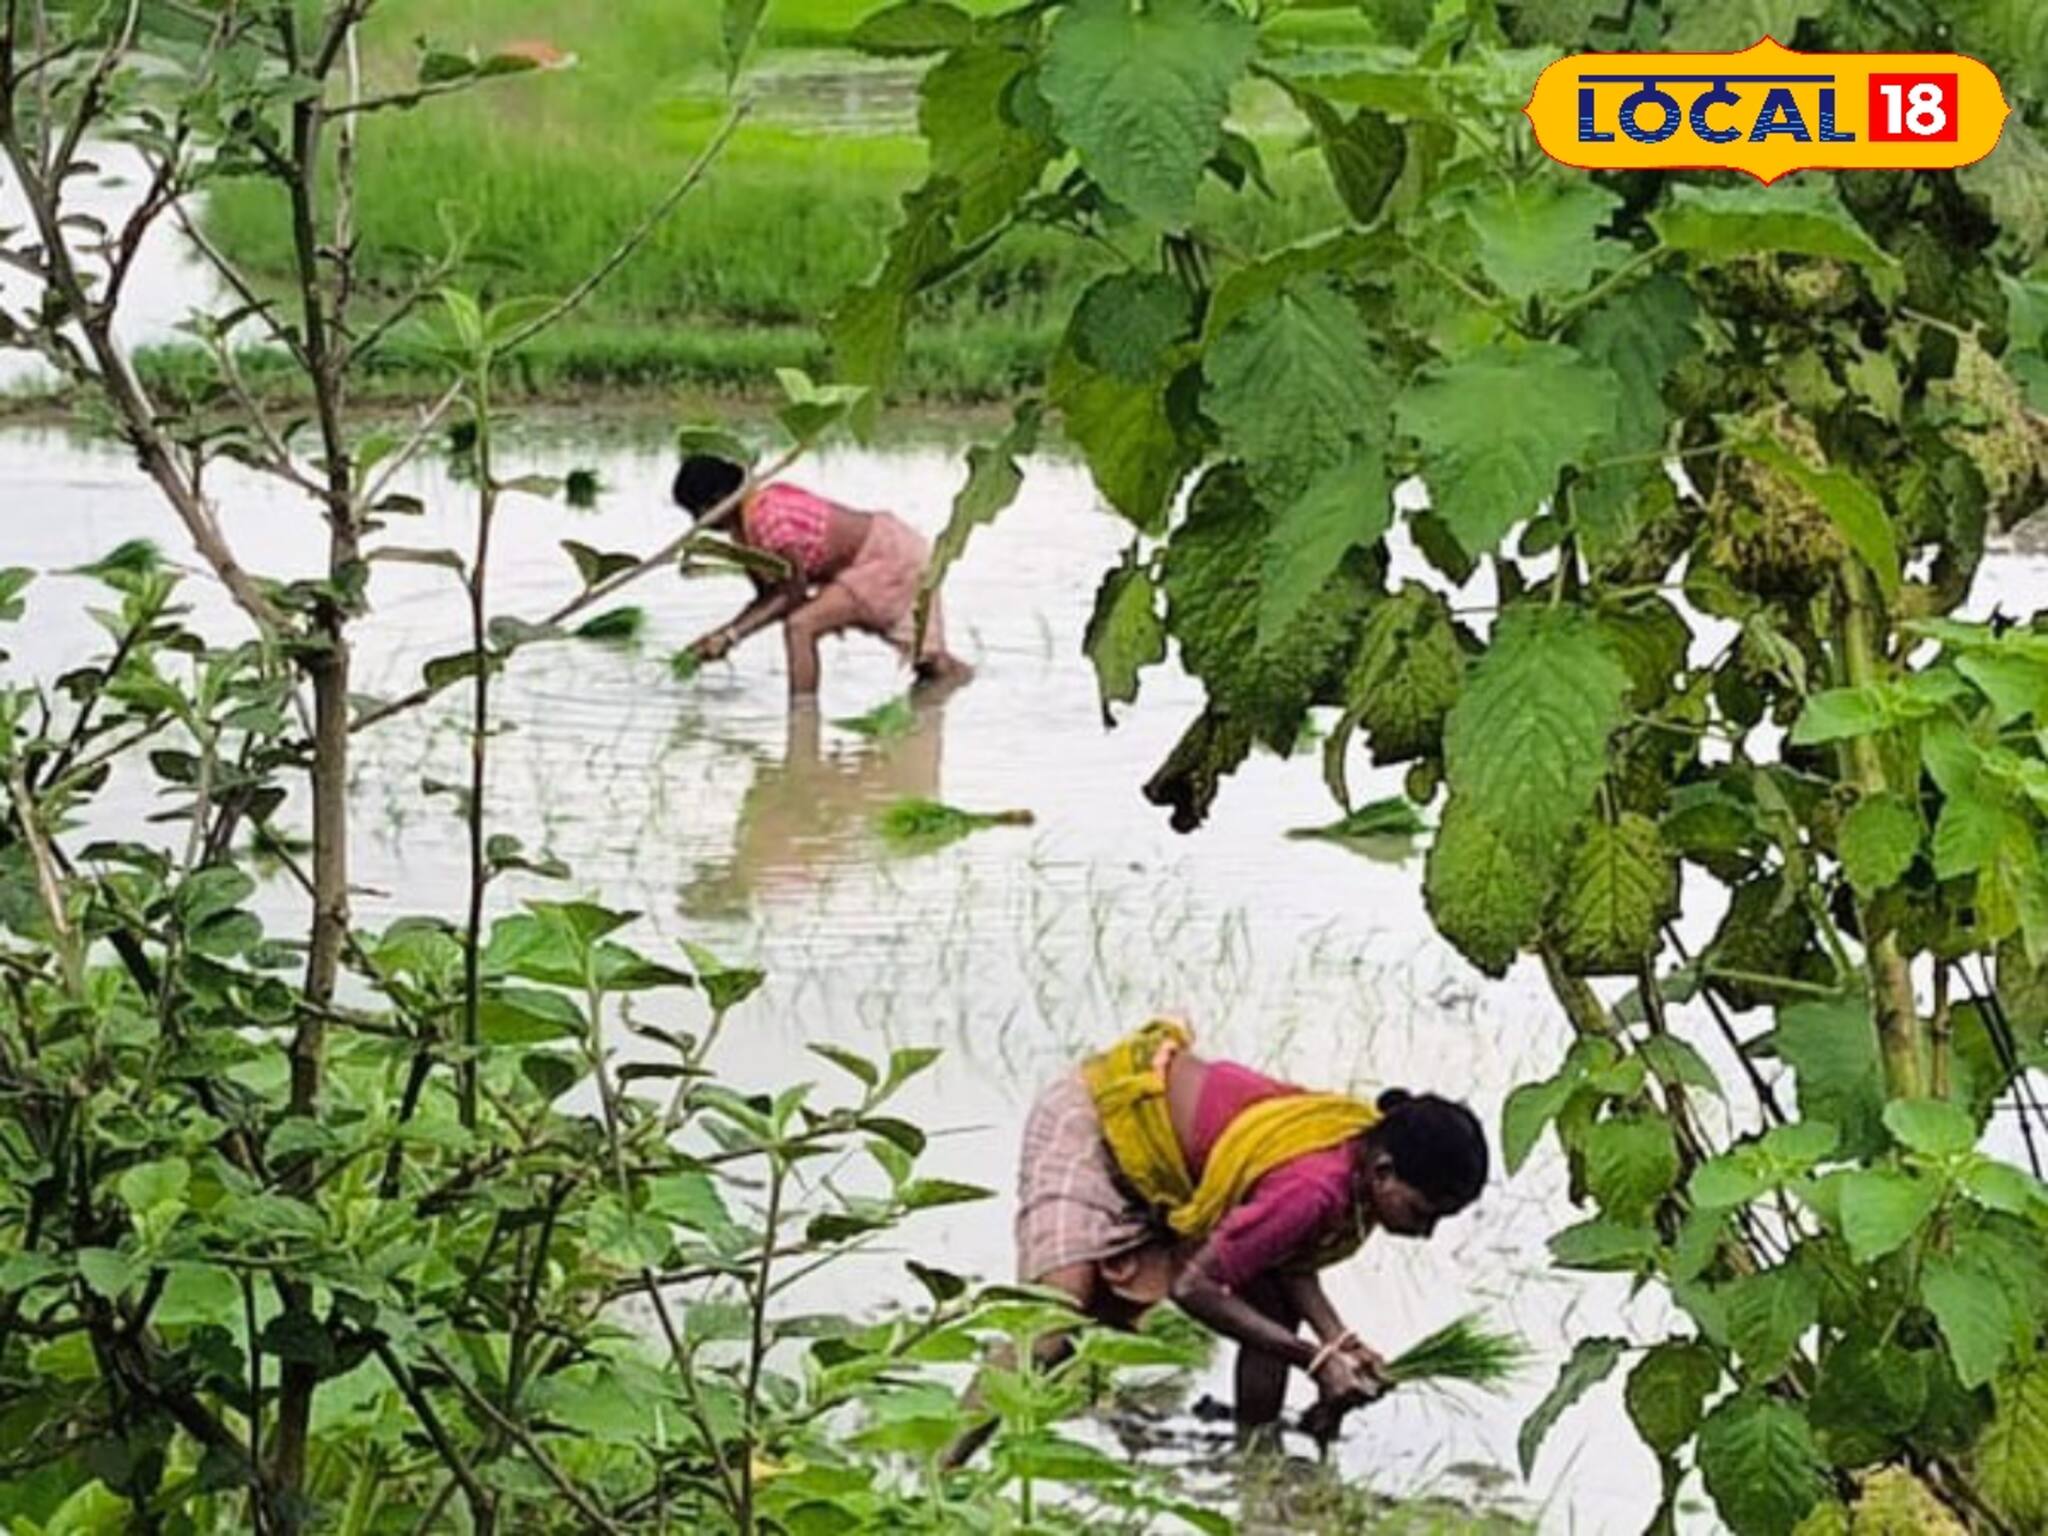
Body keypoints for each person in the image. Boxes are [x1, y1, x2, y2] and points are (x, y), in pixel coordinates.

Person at [948, 1018, 1488, 1463]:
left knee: (1272, 1311)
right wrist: (1312, 1358)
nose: (1426, 1233)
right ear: (1386, 1172)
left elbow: (1288, 1261)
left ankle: (1256, 1463)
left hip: (1158, 1163)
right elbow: (1193, 1286)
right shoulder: (1318, 1187)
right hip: (1099, 1121)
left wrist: (1337, 1341)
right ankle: (937, 1472)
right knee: (1053, 1320)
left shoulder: (1357, 1164)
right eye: (1423, 1212)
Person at [672, 454, 973, 699]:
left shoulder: (766, 516)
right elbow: (769, 598)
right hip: (890, 549)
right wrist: (722, 636)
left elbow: (791, 592)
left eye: (700, 512)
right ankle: (960, 693)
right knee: (933, 668)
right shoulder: (745, 529)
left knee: (801, 626)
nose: (700, 523)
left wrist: (730, 635)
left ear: (719, 500)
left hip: (885, 560)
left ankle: (802, 726)